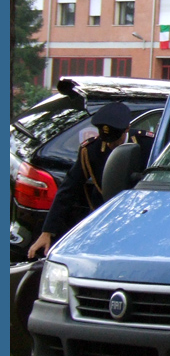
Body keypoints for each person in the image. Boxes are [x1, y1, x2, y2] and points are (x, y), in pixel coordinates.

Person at [27, 102, 153, 259]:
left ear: (126, 129)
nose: (109, 145)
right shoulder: (90, 150)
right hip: (104, 220)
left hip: (139, 220)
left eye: (114, 140)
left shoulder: (147, 144)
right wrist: (48, 231)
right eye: (106, 140)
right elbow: (68, 189)